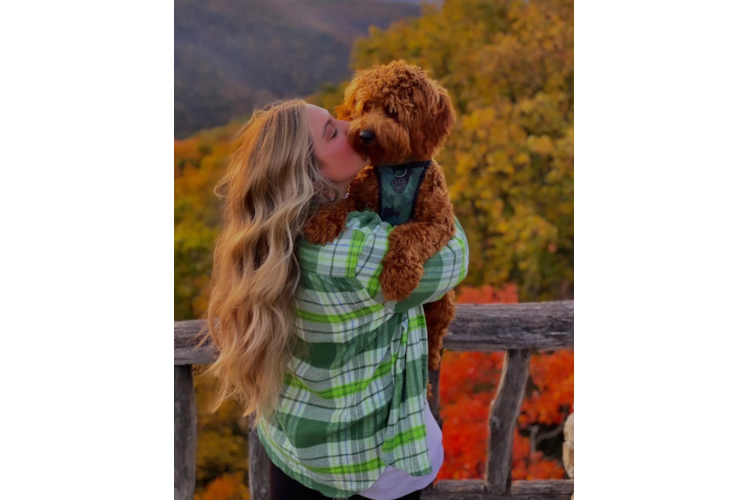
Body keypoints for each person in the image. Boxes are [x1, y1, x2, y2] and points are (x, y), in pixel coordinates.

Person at [198, 99, 469, 499]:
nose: (351, 125)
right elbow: (454, 258)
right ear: (309, 176)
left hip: (293, 448)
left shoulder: (273, 241)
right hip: (373, 467)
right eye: (330, 131)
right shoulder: (353, 253)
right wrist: (423, 180)